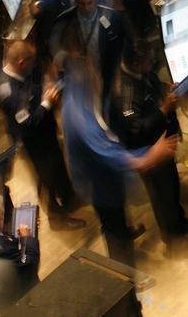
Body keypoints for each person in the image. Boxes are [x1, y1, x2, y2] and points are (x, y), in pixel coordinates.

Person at [62, 57, 177, 267]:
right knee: (113, 229)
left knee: (118, 217)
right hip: (99, 182)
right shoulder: (80, 116)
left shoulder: (92, 95)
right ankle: (124, 279)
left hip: (110, 178)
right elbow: (108, 153)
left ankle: (124, 232)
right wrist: (149, 156)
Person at [108, 39, 188, 248]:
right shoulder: (126, 92)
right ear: (135, 63)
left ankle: (178, 222)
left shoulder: (139, 72)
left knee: (171, 187)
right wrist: (164, 110)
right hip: (149, 151)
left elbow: (151, 84)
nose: (152, 64)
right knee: (162, 195)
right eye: (148, 61)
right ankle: (173, 237)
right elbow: (135, 130)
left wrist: (166, 91)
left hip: (161, 142)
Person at [0, 40, 85, 231]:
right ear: (21, 62)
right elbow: (27, 125)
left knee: (58, 167)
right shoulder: (9, 93)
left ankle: (69, 198)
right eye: (31, 61)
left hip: (46, 133)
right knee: (47, 182)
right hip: (33, 143)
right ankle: (57, 219)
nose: (34, 65)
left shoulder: (22, 71)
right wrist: (46, 103)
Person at [50, 0, 129, 102]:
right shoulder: (64, 21)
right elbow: (55, 50)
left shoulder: (112, 17)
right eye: (82, 4)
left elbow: (122, 44)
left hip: (105, 73)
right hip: (79, 78)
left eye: (89, 3)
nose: (86, 8)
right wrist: (68, 57)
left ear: (96, 0)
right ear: (76, 1)